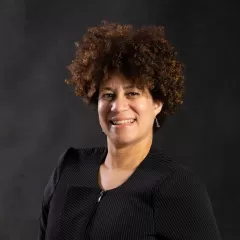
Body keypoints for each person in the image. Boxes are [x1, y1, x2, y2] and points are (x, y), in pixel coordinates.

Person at [38, 21, 222, 239]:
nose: (118, 107)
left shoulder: (177, 188)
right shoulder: (69, 168)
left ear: (157, 103)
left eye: (132, 93)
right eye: (108, 95)